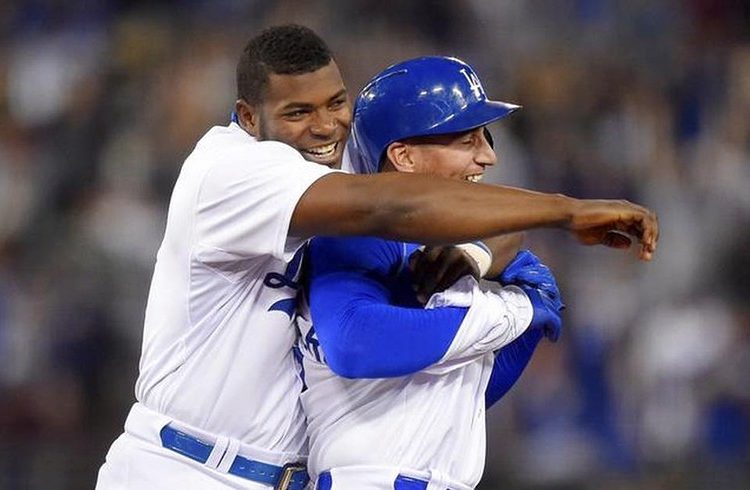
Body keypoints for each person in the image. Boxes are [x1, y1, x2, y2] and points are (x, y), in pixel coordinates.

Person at [96, 25, 657, 490]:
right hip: (180, 467)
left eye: (337, 102)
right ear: (249, 117)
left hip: (281, 476)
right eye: (297, 112)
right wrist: (560, 214)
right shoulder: (231, 170)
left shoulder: (330, 173)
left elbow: (447, 208)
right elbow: (393, 209)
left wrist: (477, 252)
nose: (324, 126)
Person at [298, 56, 566, 490]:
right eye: (467, 140)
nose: (489, 156)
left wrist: (525, 312)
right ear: (402, 155)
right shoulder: (359, 235)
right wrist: (514, 314)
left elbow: (459, 399)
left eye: (486, 137)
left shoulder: (443, 247)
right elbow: (352, 341)